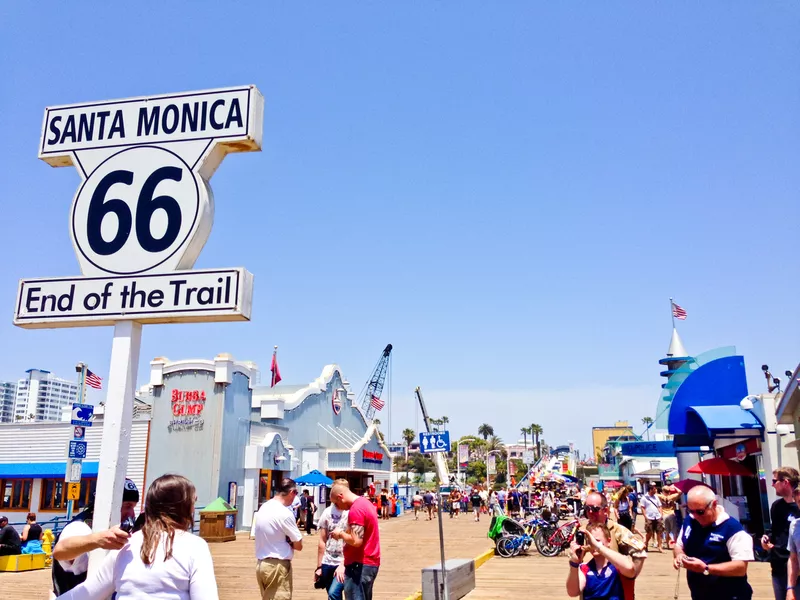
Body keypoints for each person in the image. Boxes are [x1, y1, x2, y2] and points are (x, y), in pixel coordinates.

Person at [56, 474, 218, 600]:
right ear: (183, 507)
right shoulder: (195, 546)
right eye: (193, 502)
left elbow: (87, 594)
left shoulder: (125, 545)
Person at [52, 478, 140, 597]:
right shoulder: (81, 526)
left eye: (133, 507)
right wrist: (97, 540)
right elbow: (60, 552)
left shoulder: (114, 528)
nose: (132, 514)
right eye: (127, 506)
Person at [672, 485, 753, 600]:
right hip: (699, 594)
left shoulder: (733, 529)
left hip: (730, 594)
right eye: (691, 510)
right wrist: (680, 555)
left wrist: (706, 568)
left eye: (700, 511)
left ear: (714, 504)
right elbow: (679, 545)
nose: (695, 516)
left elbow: (740, 567)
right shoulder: (690, 521)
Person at [583, 491, 647, 600]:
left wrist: (630, 576)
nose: (590, 512)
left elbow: (639, 552)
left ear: (606, 510)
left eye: (594, 509)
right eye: (586, 508)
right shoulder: (583, 530)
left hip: (613, 591)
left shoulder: (617, 530)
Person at [329, 479, 381, 600]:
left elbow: (356, 541)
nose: (338, 508)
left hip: (359, 564)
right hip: (369, 562)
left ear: (340, 496)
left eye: (336, 503)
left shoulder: (356, 509)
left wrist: (340, 533)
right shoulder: (365, 503)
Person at [253, 477, 304, 600]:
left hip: (262, 565)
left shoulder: (264, 507)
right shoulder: (284, 513)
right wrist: (289, 541)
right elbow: (299, 545)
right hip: (277, 566)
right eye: (296, 493)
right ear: (291, 492)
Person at [567, 522, 637, 599]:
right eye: (590, 541)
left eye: (597, 540)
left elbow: (630, 568)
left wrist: (598, 547)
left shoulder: (619, 565)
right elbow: (573, 592)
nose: (592, 544)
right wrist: (574, 564)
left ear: (609, 541)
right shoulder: (584, 568)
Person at [764, 468, 800, 600]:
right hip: (778, 566)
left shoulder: (797, 509)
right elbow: (775, 532)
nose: (772, 484)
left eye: (774, 481)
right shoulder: (776, 506)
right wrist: (766, 539)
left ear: (785, 482)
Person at [316, 489, 349, 600]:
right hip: (327, 561)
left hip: (343, 561)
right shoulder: (327, 512)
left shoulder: (349, 513)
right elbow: (322, 540)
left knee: (333, 593)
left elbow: (353, 542)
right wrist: (319, 566)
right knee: (333, 595)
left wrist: (344, 564)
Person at [642, 483, 664, 553]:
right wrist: (645, 517)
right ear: (651, 490)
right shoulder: (644, 498)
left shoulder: (656, 497)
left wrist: (661, 514)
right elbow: (643, 508)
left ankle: (660, 547)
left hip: (657, 516)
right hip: (649, 517)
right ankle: (646, 544)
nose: (656, 490)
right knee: (649, 532)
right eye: (654, 489)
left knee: (659, 532)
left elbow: (659, 506)